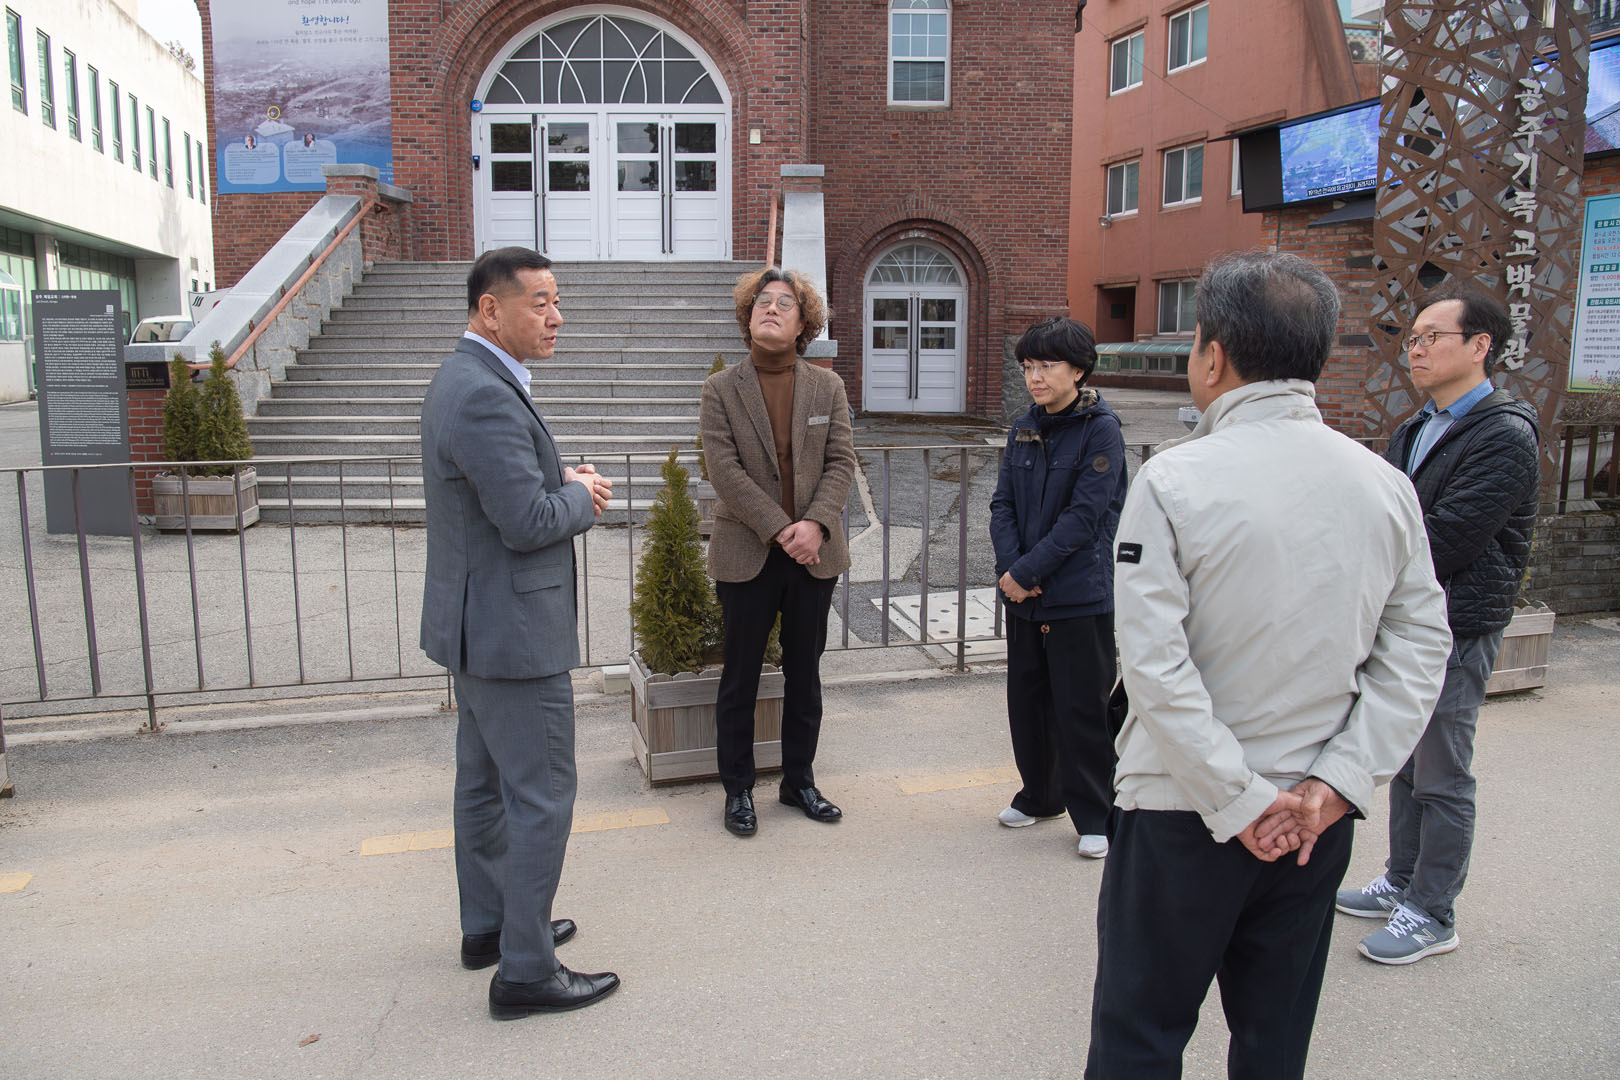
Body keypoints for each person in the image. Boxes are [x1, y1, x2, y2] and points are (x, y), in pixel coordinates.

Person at [1085, 251, 1452, 1078]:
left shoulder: (1175, 480)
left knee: (1140, 1038)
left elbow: (1154, 663)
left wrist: (1241, 798)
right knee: (1274, 1041)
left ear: (1213, 355)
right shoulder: (1384, 485)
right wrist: (1338, 783)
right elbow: (1419, 646)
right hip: (1314, 819)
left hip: (1182, 807)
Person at [419, 247, 618, 1021]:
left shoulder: (465, 378)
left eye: (556, 301)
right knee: (542, 795)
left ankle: (493, 927)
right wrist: (582, 495)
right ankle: (527, 971)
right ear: (490, 309)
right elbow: (528, 522)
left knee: (483, 785)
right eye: (540, 302)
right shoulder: (483, 394)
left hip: (479, 629)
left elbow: (497, 497)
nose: (556, 317)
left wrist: (554, 484)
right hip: (511, 634)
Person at [1337, 280, 1540, 965]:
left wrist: (1373, 564)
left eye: (1431, 337)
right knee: (1404, 759)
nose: (1416, 350)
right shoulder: (1417, 426)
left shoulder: (1504, 435)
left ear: (1480, 346)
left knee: (1443, 772)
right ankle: (1401, 880)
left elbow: (1447, 538)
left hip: (1458, 624)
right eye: (1412, 338)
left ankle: (1433, 912)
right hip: (1408, 619)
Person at [701, 267, 856, 837]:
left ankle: (799, 782)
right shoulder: (721, 388)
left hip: (814, 556)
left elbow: (841, 461)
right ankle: (738, 789)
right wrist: (782, 529)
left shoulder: (827, 387)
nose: (771, 308)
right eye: (761, 301)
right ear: (748, 318)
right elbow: (724, 471)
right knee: (739, 676)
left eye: (784, 303)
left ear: (803, 323)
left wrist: (814, 525)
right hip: (748, 553)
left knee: (805, 676)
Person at [988, 317, 1127, 859]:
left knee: (1080, 708)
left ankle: (1095, 813)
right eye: (1028, 366)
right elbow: (1002, 503)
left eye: (1047, 365)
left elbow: (1085, 517)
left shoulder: (1101, 429)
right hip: (1024, 595)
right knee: (1028, 703)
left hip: (1078, 594)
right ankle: (1039, 795)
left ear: (1079, 370)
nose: (1035, 377)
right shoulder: (1023, 426)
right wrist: (1011, 570)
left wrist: (1027, 573)